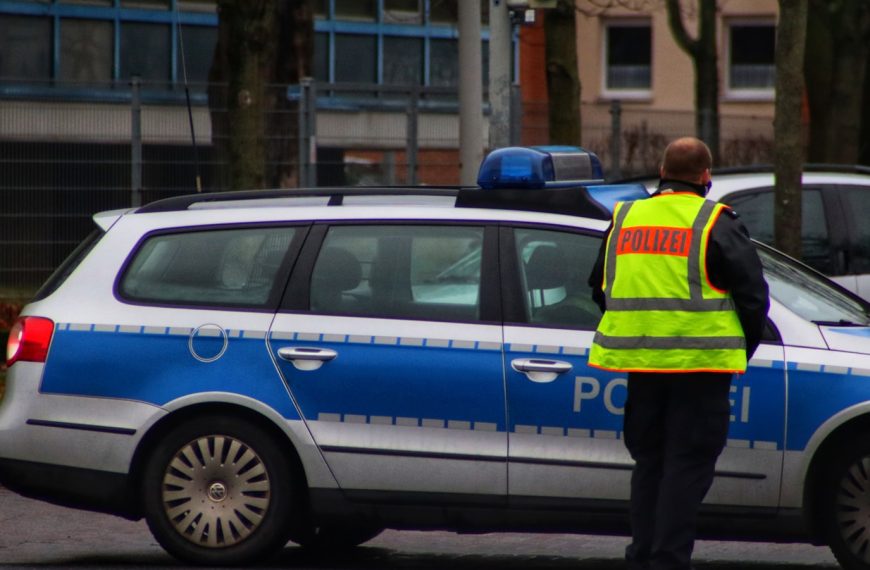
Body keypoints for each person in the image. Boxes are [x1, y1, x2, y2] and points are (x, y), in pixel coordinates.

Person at [587, 136, 770, 570]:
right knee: (685, 468)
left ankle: (642, 556)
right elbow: (753, 298)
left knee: (649, 463)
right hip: (700, 371)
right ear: (706, 176)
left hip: (641, 366)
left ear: (661, 170)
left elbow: (600, 286)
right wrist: (740, 347)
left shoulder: (625, 218)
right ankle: (667, 560)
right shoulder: (715, 221)